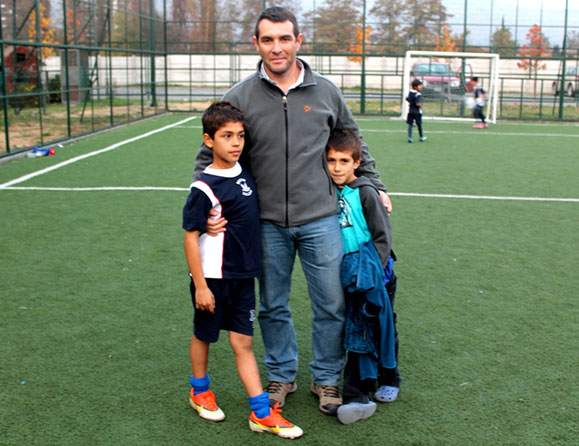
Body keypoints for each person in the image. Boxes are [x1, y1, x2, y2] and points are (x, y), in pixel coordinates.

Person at [193, 7, 392, 416]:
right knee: (272, 305)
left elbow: (355, 142)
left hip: (321, 219)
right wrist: (208, 205)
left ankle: (326, 380)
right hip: (262, 224)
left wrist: (375, 185)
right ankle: (282, 375)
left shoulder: (326, 92)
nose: (277, 47)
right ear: (256, 44)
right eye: (268, 39)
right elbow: (206, 156)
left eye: (285, 39)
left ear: (299, 41)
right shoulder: (241, 95)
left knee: (331, 304)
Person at [183, 101, 303, 439]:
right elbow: (190, 239)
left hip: (242, 278)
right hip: (212, 279)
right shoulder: (203, 188)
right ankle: (199, 390)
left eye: (239, 136)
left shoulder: (244, 172)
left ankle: (261, 413)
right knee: (204, 334)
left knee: (244, 344)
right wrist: (202, 286)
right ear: (209, 140)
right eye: (226, 136)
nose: (235, 143)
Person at [325, 129, 399, 425]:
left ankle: (390, 377)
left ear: (357, 162)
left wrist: (374, 273)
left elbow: (383, 235)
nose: (337, 167)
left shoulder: (366, 192)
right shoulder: (331, 190)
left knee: (382, 325)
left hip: (374, 276)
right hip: (349, 276)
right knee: (357, 327)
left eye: (344, 160)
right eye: (331, 161)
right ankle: (358, 387)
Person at [406, 79, 427, 143]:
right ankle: (421, 137)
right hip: (417, 112)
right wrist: (420, 105)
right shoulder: (418, 94)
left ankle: (410, 137)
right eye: (420, 85)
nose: (421, 87)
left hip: (410, 111)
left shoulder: (410, 92)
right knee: (419, 124)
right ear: (415, 87)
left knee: (410, 124)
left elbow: (407, 98)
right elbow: (417, 103)